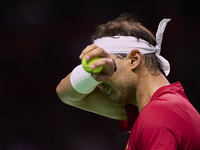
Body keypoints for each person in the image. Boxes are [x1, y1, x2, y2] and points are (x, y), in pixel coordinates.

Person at [56, 13, 200, 149]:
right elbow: (65, 93)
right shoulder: (151, 110)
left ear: (134, 59)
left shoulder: (159, 115)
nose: (100, 81)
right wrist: (89, 71)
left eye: (104, 70)